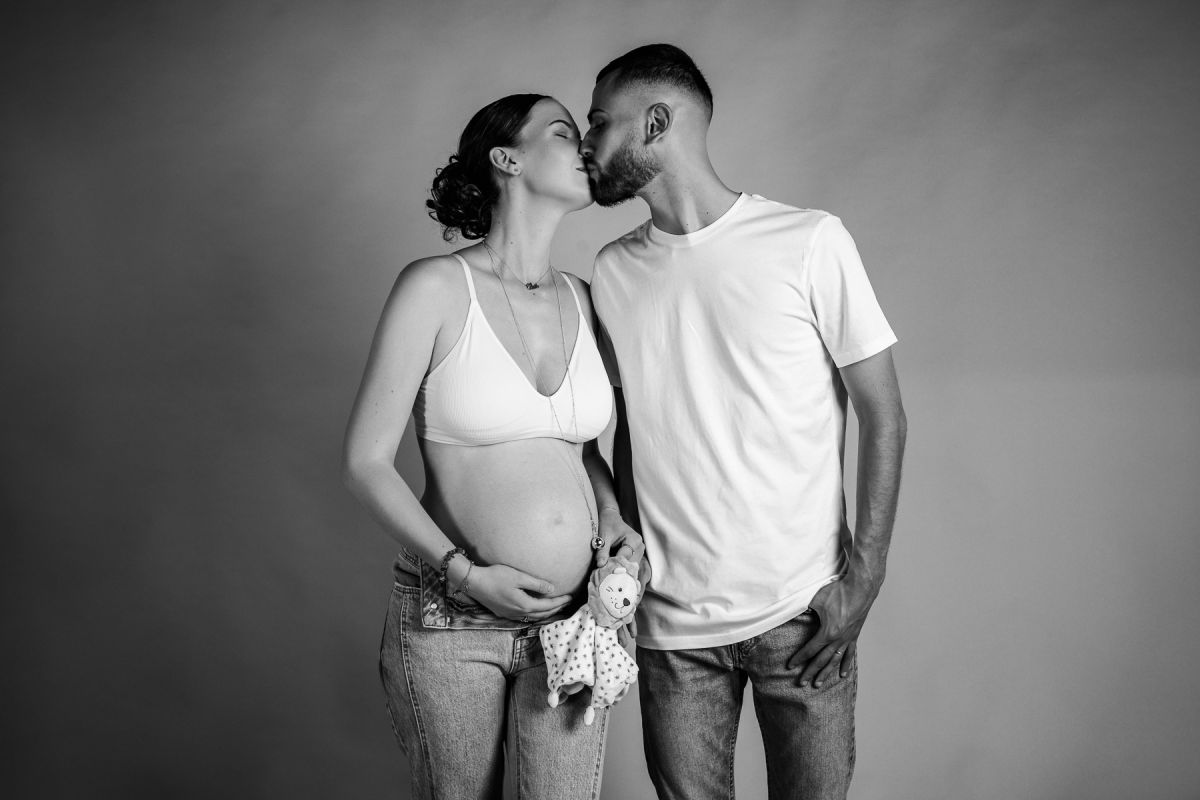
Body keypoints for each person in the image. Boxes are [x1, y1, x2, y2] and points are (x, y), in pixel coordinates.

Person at [580, 45, 908, 800]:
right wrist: (627, 557)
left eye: (600, 123)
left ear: (655, 123)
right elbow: (630, 430)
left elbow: (884, 414)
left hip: (803, 615)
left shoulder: (809, 241)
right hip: (670, 631)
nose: (587, 143)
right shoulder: (611, 271)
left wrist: (865, 576)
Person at [342, 93, 643, 800]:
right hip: (455, 618)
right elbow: (365, 463)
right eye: (564, 131)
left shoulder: (585, 297)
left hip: (575, 619)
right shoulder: (435, 287)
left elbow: (580, 452)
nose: (585, 145)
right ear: (507, 159)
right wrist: (466, 575)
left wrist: (614, 518)